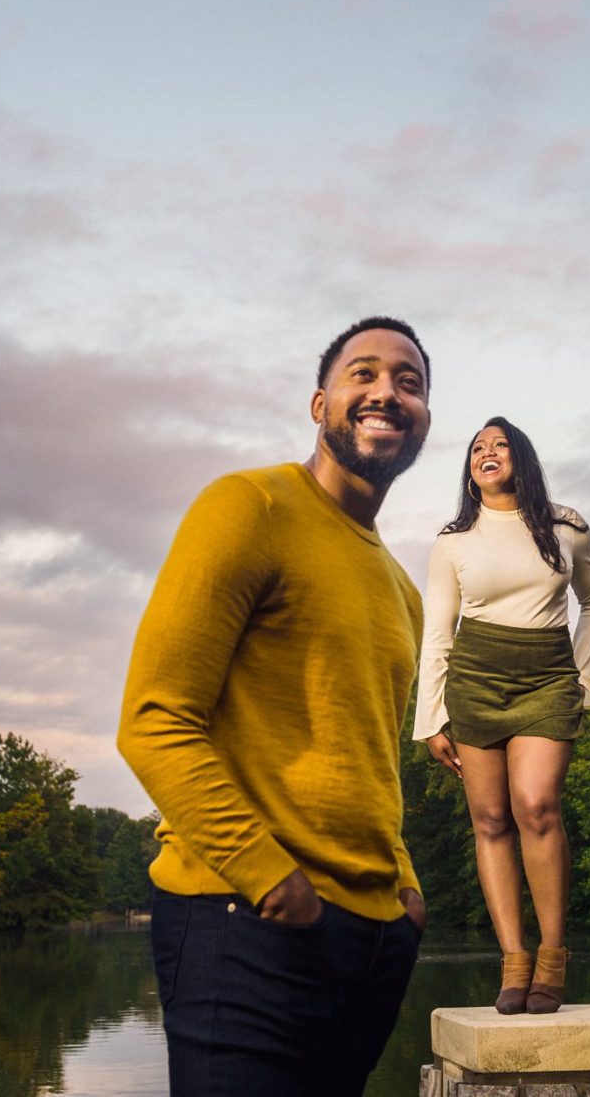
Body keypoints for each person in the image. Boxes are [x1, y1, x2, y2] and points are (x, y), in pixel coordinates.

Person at [117, 316, 432, 1097]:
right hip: (246, 921)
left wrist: (406, 888)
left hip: (371, 941)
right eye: (364, 373)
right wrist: (269, 879)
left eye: (410, 381)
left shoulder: (403, 589)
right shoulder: (248, 505)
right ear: (321, 403)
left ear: (423, 418)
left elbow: (367, 756)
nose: (387, 391)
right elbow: (155, 718)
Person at [414, 416, 590, 1015]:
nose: (487, 451)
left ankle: (553, 957)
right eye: (477, 446)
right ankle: (513, 961)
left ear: (521, 460)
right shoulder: (453, 542)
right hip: (474, 681)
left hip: (547, 677)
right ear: (470, 471)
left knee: (536, 804)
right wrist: (430, 718)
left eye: (500, 444)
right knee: (489, 818)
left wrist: (583, 677)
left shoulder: (566, 527)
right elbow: (437, 633)